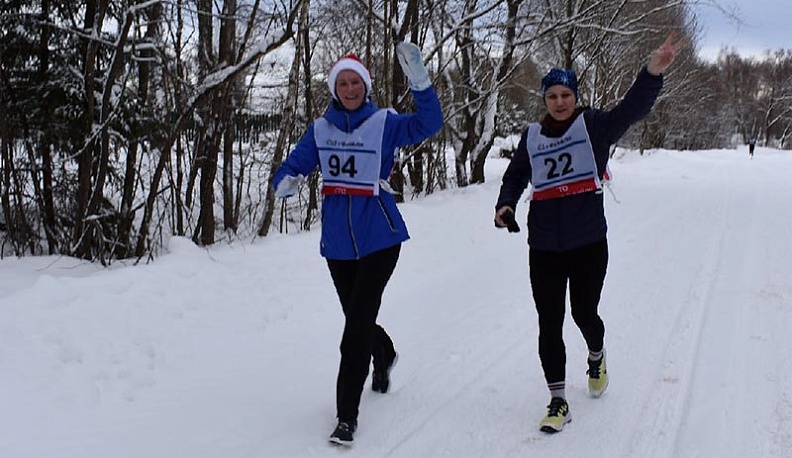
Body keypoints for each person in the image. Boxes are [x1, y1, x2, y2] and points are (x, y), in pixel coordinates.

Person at [493, 32, 686, 433]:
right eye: (552, 96)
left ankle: (596, 357)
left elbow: (631, 110)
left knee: (583, 313)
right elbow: (515, 176)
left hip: (588, 244)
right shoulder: (532, 137)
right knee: (549, 320)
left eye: (566, 95)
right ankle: (558, 400)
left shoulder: (594, 126)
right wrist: (506, 204)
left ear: (575, 97)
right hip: (543, 245)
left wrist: (652, 72)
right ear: (544, 100)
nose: (559, 102)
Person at [272, 42, 443, 446]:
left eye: (356, 83)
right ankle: (382, 353)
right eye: (342, 83)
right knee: (358, 318)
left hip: (380, 238)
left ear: (366, 87)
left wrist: (420, 80)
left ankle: (346, 416)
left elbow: (429, 123)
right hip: (337, 245)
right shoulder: (320, 130)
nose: (349, 89)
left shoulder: (384, 123)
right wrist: (285, 181)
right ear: (334, 89)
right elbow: (293, 165)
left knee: (353, 330)